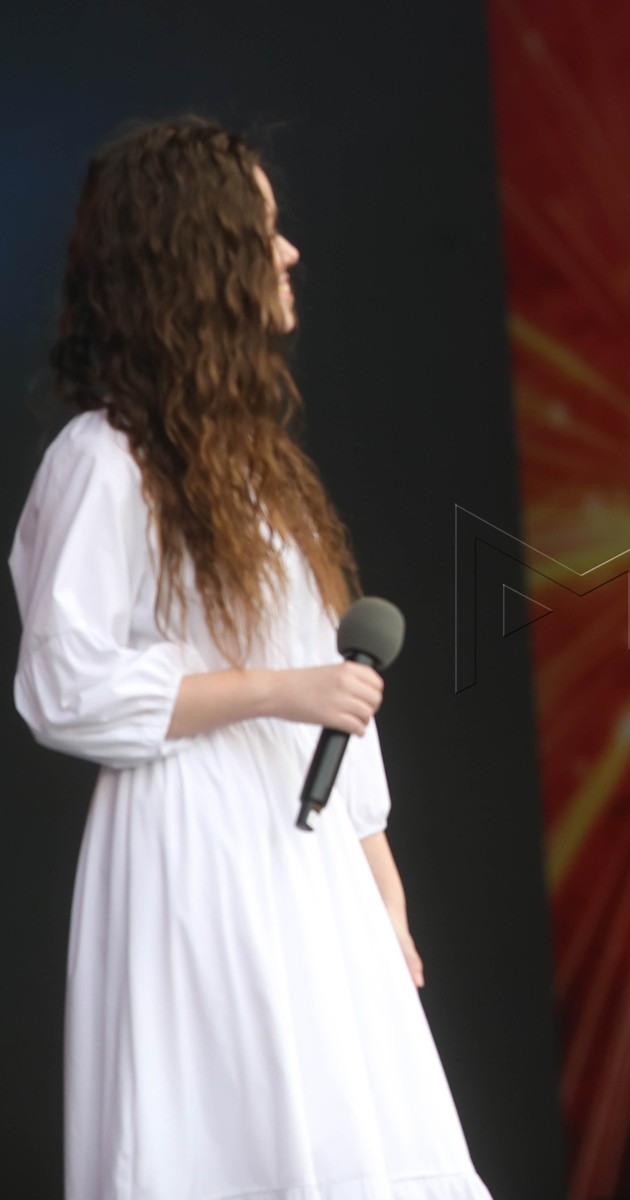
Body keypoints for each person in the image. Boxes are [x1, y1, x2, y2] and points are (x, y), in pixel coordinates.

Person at [9, 119, 489, 1200]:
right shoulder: (104, 460)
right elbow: (64, 686)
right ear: (199, 256)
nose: (289, 251)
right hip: (197, 850)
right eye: (264, 231)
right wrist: (279, 691)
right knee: (234, 1139)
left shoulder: (256, 475)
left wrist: (381, 886)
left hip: (308, 860)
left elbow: (338, 698)